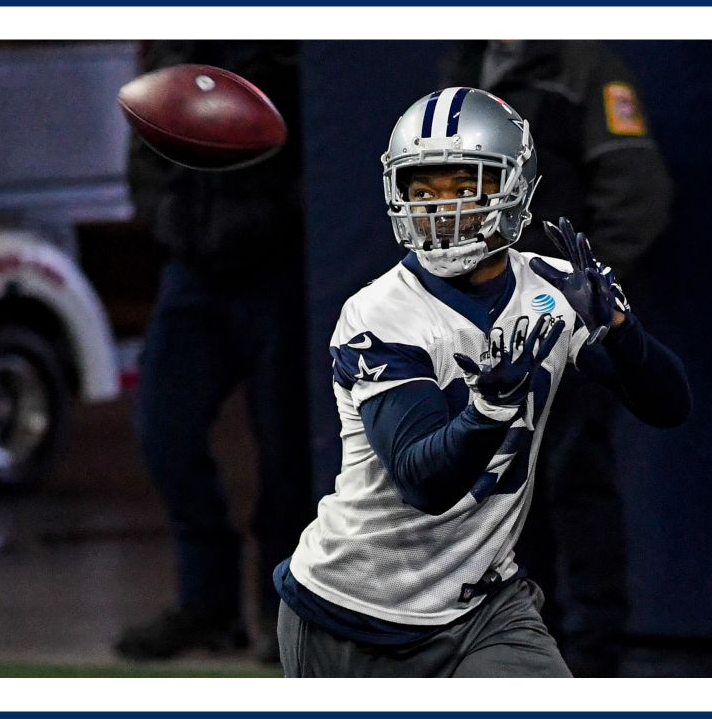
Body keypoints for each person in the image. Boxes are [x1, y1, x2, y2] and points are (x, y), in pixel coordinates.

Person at [274, 87, 690, 677]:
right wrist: (489, 410)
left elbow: (669, 405)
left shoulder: (553, 288)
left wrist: (622, 332)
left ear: (513, 188)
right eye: (424, 191)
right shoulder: (381, 313)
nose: (442, 211)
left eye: (463, 189)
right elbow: (424, 481)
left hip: (482, 604)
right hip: (354, 607)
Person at [442, 40, 674, 676]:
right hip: (479, 327)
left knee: (574, 486)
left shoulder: (585, 68)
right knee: (497, 494)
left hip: (565, 331)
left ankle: (594, 660)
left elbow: (638, 193)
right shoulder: (462, 67)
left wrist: (580, 298)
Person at [116, 40, 313, 664]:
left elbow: (328, 151)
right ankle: (208, 606)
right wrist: (166, 218)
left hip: (280, 271)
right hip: (192, 270)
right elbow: (144, 150)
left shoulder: (295, 53)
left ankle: (285, 610)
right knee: (162, 431)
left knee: (285, 450)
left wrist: (284, 219)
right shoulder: (171, 51)